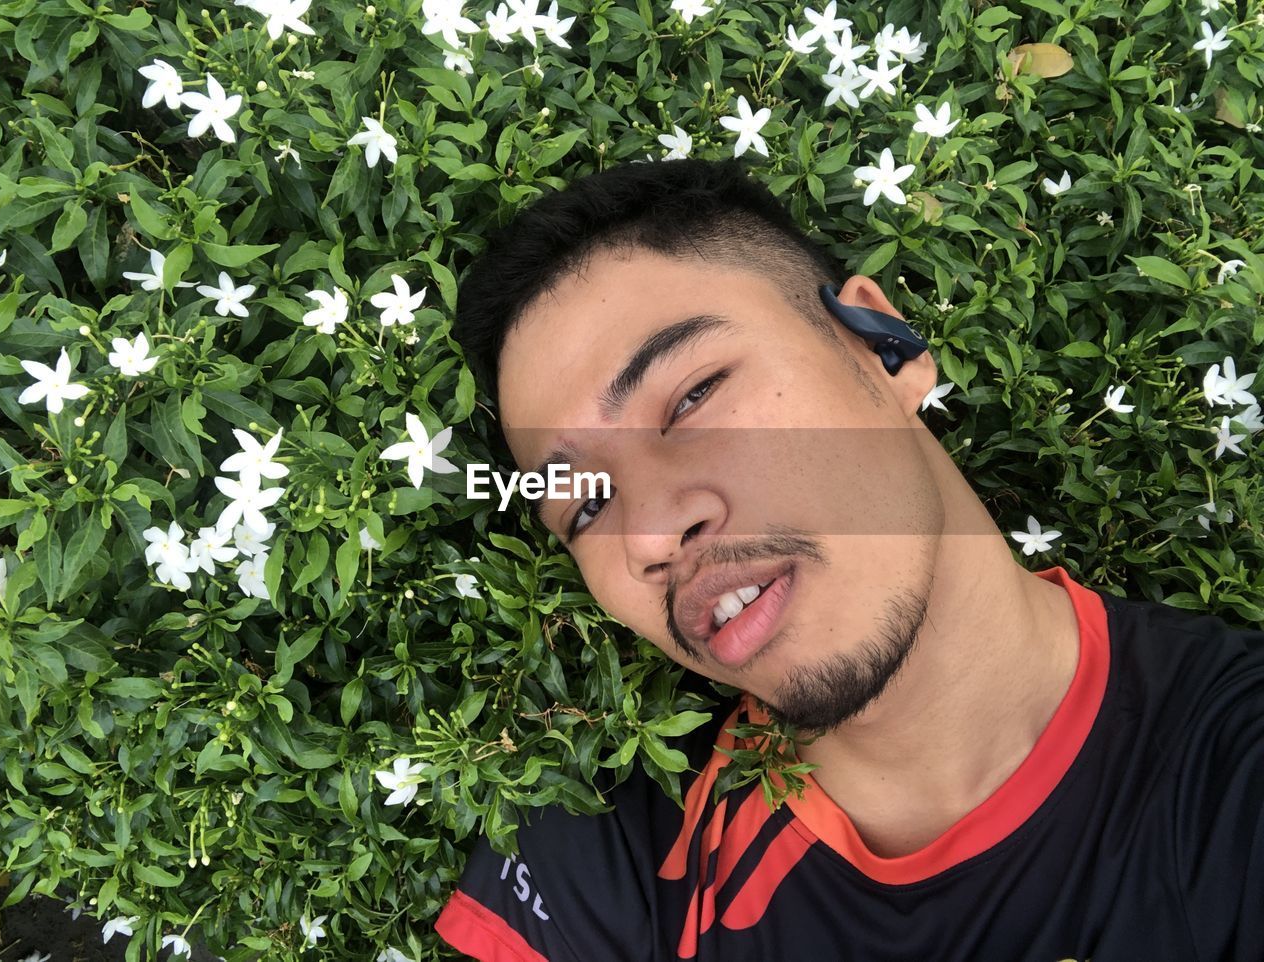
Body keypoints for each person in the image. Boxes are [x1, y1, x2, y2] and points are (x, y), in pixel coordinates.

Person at [432, 158, 1264, 961]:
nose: (647, 536)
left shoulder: (1229, 779)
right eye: (584, 505)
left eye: (692, 395)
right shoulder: (611, 856)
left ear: (880, 344)